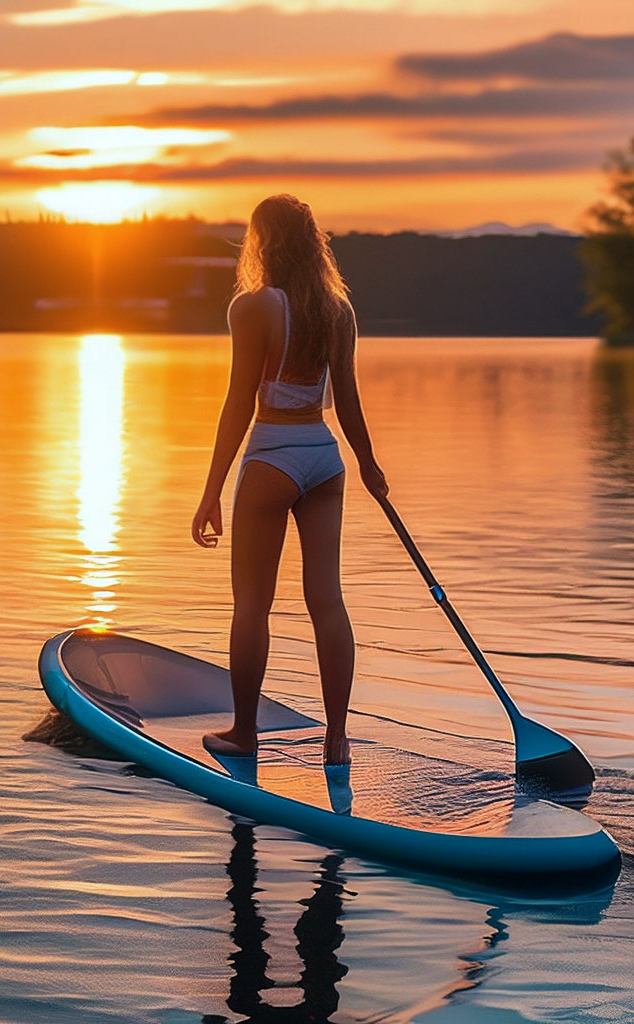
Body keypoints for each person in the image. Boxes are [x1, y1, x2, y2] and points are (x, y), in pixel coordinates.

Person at [191, 194, 387, 775]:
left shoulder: (252, 308)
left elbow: (237, 403)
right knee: (327, 601)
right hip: (325, 459)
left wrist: (210, 491)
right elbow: (347, 400)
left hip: (273, 455)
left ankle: (244, 734)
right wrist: (370, 466)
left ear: (263, 243)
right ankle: (337, 740)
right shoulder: (338, 309)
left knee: (252, 605)